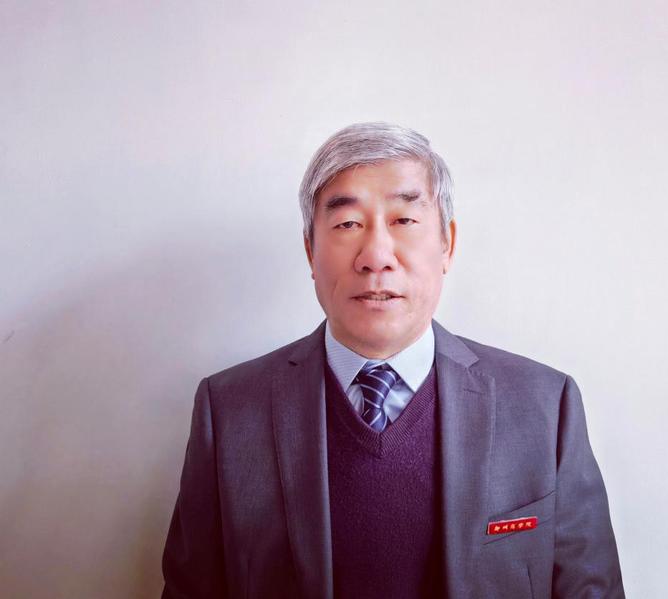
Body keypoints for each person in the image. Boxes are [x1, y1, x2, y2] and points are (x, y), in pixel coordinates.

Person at [161, 122, 625, 598]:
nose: (376, 256)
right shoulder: (230, 411)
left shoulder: (544, 406)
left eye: (403, 220)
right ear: (310, 251)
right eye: (347, 224)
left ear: (447, 244)